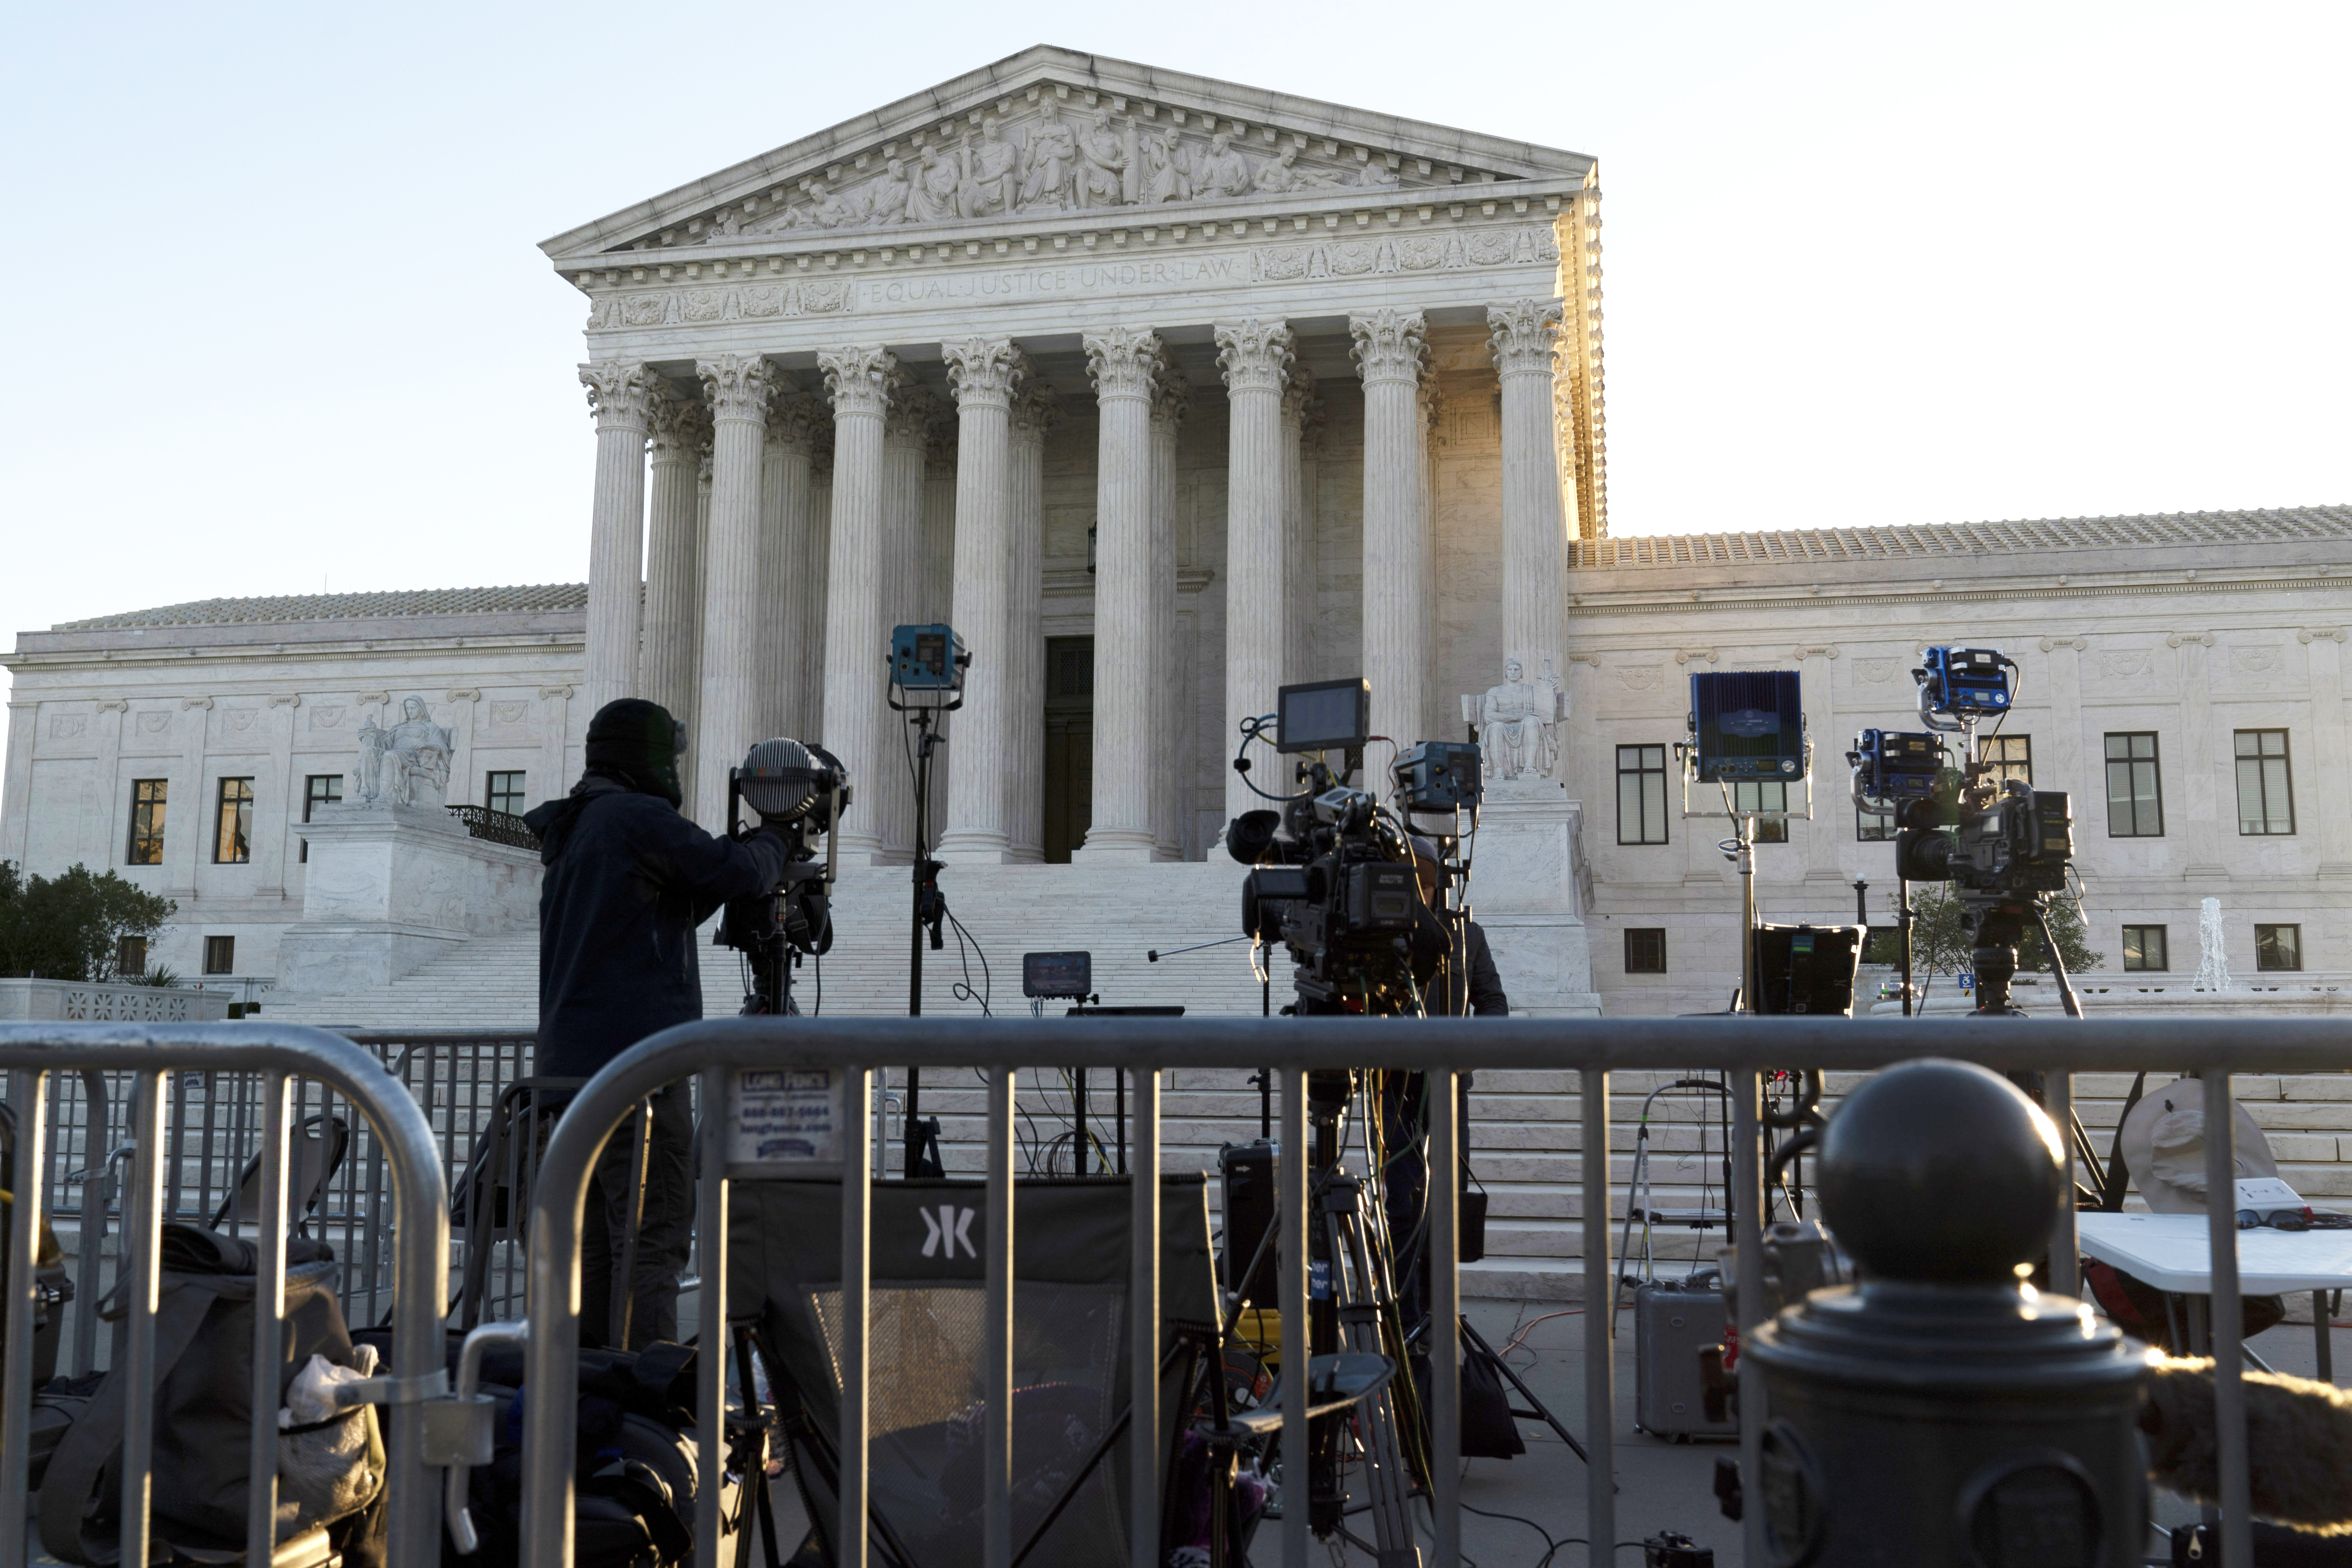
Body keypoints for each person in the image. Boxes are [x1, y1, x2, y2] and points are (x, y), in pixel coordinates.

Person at [524, 697, 788, 1348]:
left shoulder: (583, 823)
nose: (673, 767)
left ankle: (587, 1401)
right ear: (646, 757)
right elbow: (735, 872)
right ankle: (643, 1400)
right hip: (636, 1073)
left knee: (599, 1247)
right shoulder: (635, 817)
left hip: (573, 1072)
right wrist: (778, 839)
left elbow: (646, 915)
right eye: (668, 755)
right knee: (654, 1239)